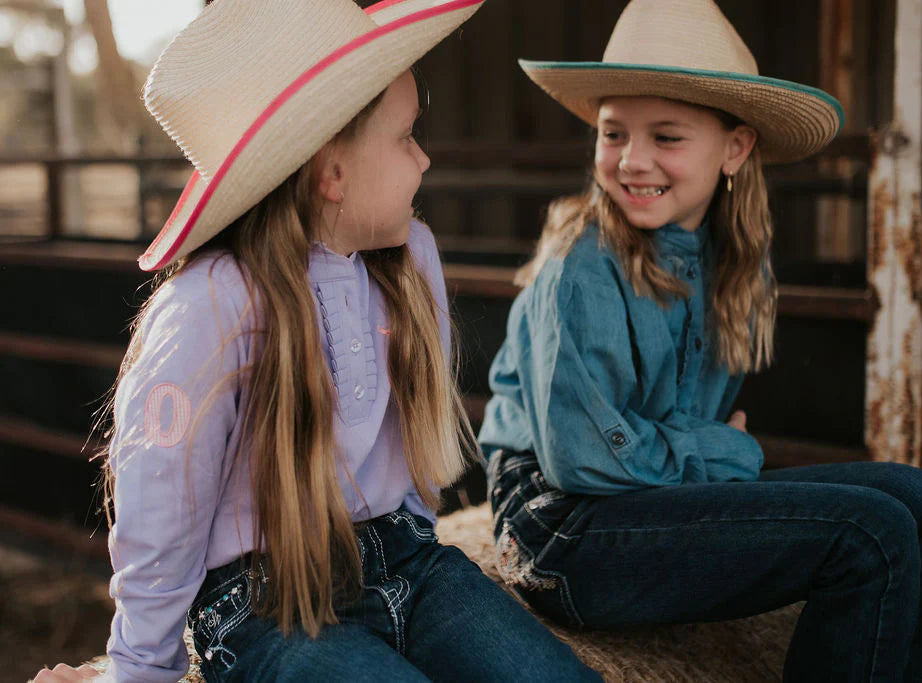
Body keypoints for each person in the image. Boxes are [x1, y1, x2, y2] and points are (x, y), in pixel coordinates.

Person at [32, 1, 599, 681]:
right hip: (267, 602)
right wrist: (139, 667)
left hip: (411, 563)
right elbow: (163, 500)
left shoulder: (410, 257)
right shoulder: (213, 303)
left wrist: (417, 521)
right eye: (406, 136)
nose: (424, 157)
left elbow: (408, 441)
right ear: (331, 172)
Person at [478, 0, 922, 681]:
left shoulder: (732, 258)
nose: (632, 161)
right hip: (561, 530)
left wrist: (696, 451)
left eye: (666, 137)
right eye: (614, 133)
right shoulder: (581, 267)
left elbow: (663, 435)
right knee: (867, 536)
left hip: (637, 503)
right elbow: (581, 458)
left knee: (916, 499)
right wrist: (720, 449)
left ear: (736, 147)